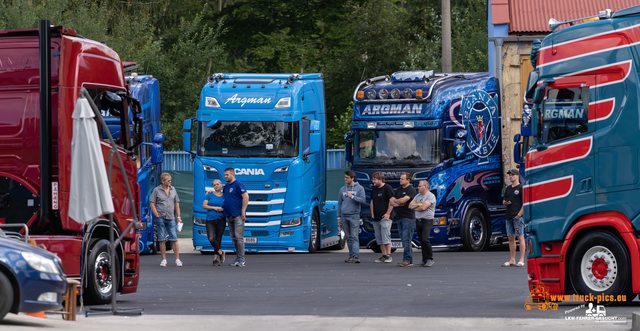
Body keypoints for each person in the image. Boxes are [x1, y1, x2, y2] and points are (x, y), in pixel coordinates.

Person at [150, 173, 182, 267]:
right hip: (160, 218)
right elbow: (152, 203)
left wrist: (178, 217)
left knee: (174, 239)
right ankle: (164, 260)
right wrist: (157, 215)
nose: (170, 181)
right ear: (162, 181)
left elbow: (176, 204)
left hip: (171, 218)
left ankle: (177, 259)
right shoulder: (156, 190)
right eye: (168, 180)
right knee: (161, 239)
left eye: (170, 180)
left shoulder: (173, 189)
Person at [337, 170, 366, 263]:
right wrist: (338, 217)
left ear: (352, 178)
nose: (345, 179)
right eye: (345, 177)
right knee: (348, 237)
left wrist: (352, 196)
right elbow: (339, 204)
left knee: (354, 236)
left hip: (354, 216)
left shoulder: (359, 188)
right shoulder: (342, 189)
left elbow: (363, 200)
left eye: (347, 177)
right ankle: (351, 256)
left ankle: (356, 256)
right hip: (344, 216)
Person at [223, 168, 249, 267]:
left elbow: (246, 196)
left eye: (227, 175)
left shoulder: (238, 184)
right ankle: (238, 257)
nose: (225, 176)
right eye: (225, 175)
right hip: (229, 215)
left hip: (237, 215)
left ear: (232, 175)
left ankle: (242, 258)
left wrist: (243, 211)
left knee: (239, 237)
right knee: (234, 238)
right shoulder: (226, 186)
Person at [390, 173, 416, 267]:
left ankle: (407, 260)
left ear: (408, 180)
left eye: (402, 179)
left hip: (408, 218)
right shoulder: (398, 190)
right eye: (400, 179)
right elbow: (391, 201)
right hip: (399, 217)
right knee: (404, 239)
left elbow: (402, 201)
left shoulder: (411, 190)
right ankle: (409, 260)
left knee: (406, 239)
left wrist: (399, 201)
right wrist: (399, 202)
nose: (400, 180)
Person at [409, 180, 437, 267]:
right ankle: (424, 259)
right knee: (421, 241)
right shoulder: (418, 196)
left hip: (427, 221)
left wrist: (416, 206)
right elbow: (410, 206)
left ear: (425, 187)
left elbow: (424, 207)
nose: (418, 187)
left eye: (419, 186)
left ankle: (430, 259)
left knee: (425, 239)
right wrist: (418, 206)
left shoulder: (430, 196)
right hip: (418, 220)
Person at [502, 169, 525, 267]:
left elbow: (524, 203)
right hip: (509, 216)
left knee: (520, 237)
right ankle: (512, 260)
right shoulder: (508, 189)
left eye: (512, 175)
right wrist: (506, 203)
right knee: (510, 238)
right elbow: (504, 201)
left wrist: (519, 215)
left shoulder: (520, 188)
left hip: (517, 217)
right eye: (509, 175)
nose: (510, 176)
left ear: (517, 176)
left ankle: (521, 260)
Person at [370, 172, 394, 263]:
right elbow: (372, 202)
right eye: (373, 180)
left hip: (385, 218)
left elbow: (391, 201)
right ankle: (383, 255)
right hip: (376, 218)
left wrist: (388, 213)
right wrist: (372, 214)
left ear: (380, 179)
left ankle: (389, 255)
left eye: (375, 180)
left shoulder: (387, 188)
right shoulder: (374, 190)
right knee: (379, 238)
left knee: (385, 236)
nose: (373, 182)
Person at [203, 179, 225, 266]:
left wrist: (223, 209)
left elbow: (228, 206)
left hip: (221, 220)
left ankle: (215, 260)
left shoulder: (225, 196)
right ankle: (220, 252)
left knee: (218, 239)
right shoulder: (209, 194)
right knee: (211, 238)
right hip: (210, 220)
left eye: (218, 184)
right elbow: (204, 206)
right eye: (214, 185)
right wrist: (214, 208)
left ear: (221, 185)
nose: (216, 186)